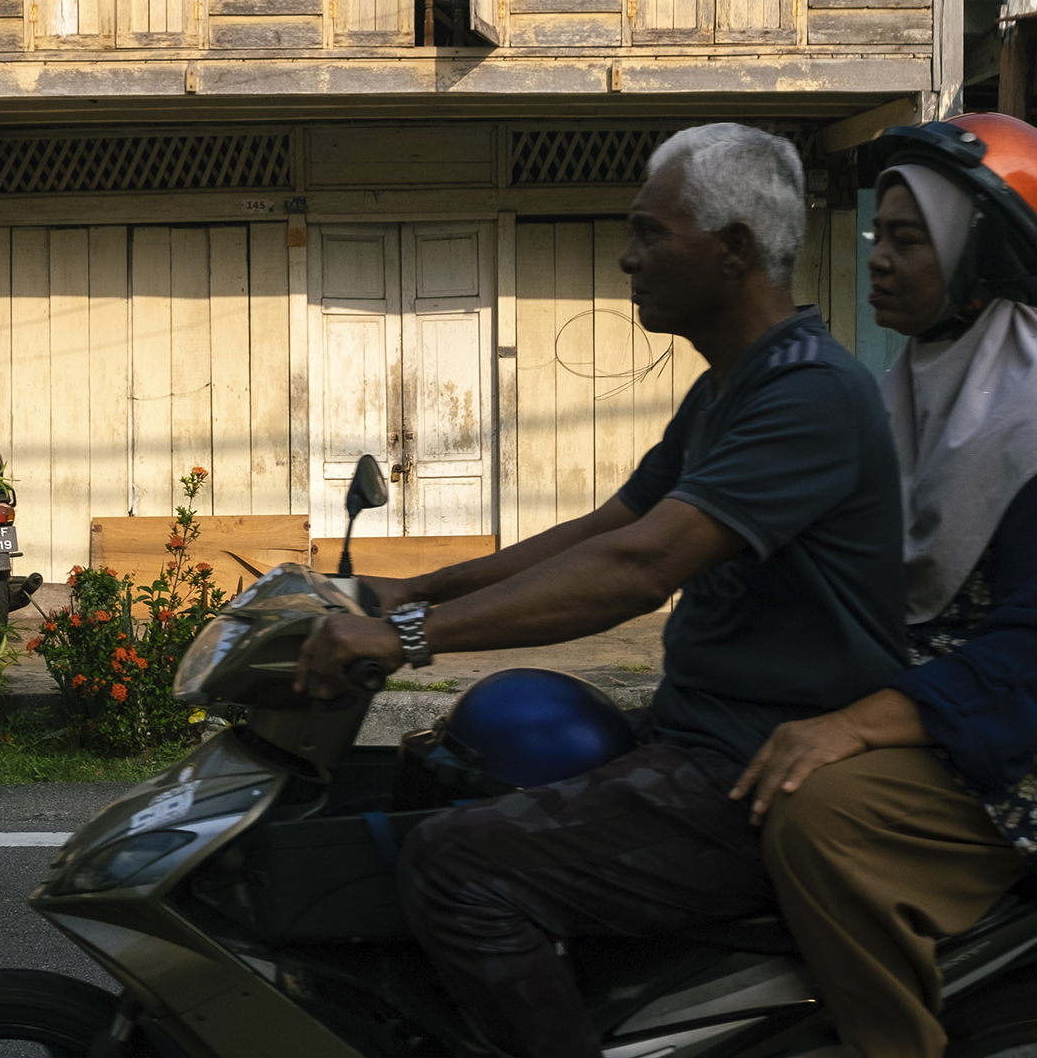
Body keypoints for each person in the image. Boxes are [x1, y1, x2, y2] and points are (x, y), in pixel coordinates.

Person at [295, 121, 911, 1058]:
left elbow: (637, 570)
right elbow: (607, 529)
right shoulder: (731, 389)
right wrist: (407, 588)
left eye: (649, 233)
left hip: (753, 770)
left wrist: (412, 636)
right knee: (439, 783)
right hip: (697, 737)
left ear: (734, 248)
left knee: (457, 866)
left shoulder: (810, 394)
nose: (627, 257)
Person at [730, 115, 1037, 1058]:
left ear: (980, 254)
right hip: (969, 702)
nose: (879, 261)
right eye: (877, 238)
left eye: (909, 239)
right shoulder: (929, 380)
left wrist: (849, 725)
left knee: (820, 821)